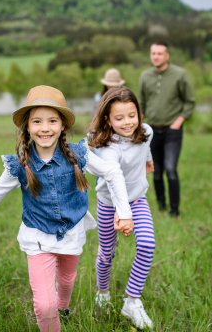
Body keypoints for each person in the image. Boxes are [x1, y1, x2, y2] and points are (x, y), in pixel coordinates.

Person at [0, 85, 134, 332]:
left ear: (62, 126)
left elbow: (113, 173)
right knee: (44, 306)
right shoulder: (19, 166)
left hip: (71, 231)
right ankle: (53, 315)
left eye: (52, 121)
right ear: (27, 127)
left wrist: (124, 213)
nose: (45, 128)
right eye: (37, 121)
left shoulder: (79, 155)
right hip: (37, 236)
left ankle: (64, 306)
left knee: (67, 282)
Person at [88, 86, 155, 329]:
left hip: (137, 199)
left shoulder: (146, 131)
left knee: (147, 244)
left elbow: (144, 147)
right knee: (107, 253)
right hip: (109, 203)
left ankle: (132, 301)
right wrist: (120, 210)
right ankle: (103, 293)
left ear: (139, 113)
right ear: (107, 119)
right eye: (119, 118)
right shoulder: (107, 147)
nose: (127, 122)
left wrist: (148, 160)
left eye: (132, 115)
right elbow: (114, 176)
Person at [138, 42, 195, 217]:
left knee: (170, 170)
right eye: (153, 53)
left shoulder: (180, 74)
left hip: (172, 131)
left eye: (160, 53)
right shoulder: (145, 76)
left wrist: (178, 122)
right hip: (151, 131)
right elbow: (141, 105)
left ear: (167, 56)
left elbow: (189, 101)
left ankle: (174, 211)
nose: (156, 56)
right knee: (156, 172)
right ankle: (162, 206)